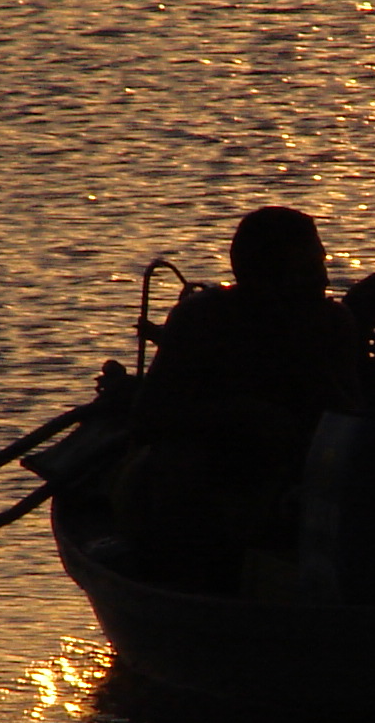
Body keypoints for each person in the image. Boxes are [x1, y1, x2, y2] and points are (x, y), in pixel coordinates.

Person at [114, 206, 359, 586]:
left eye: (322, 265)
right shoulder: (202, 320)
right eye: (310, 268)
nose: (324, 279)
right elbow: (148, 419)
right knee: (178, 469)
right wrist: (242, 414)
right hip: (210, 489)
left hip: (294, 484)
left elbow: (353, 420)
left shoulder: (332, 324)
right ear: (265, 274)